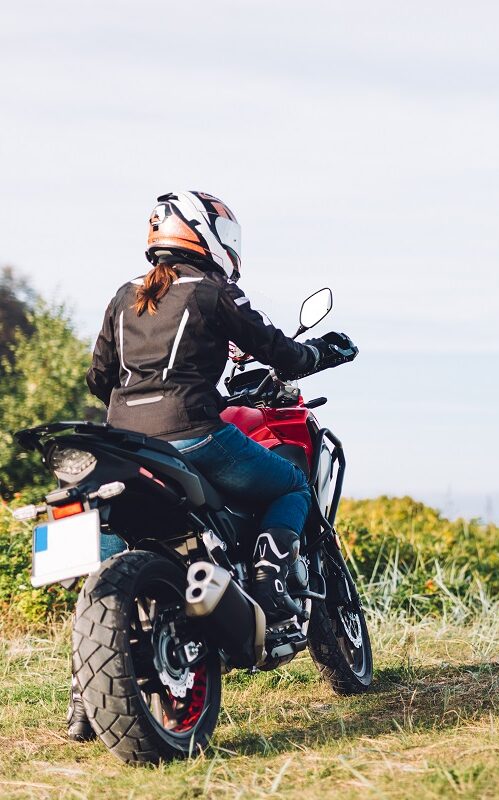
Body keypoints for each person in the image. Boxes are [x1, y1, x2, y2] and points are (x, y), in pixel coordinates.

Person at [66, 190, 357, 741]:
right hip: (194, 435)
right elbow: (281, 351)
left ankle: (84, 692)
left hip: (125, 444)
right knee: (292, 486)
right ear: (205, 235)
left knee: (109, 551)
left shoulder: (124, 296)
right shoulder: (212, 290)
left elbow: (99, 379)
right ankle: (269, 579)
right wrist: (326, 351)